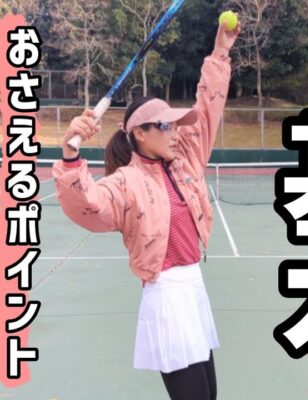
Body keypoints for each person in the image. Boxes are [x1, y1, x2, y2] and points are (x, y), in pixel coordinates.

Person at [53, 20, 240, 400]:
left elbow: (207, 109)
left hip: (194, 290)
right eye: (166, 126)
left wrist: (221, 52)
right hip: (167, 298)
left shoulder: (186, 159)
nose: (175, 131)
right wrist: (71, 151)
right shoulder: (126, 182)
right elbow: (87, 204)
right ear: (140, 132)